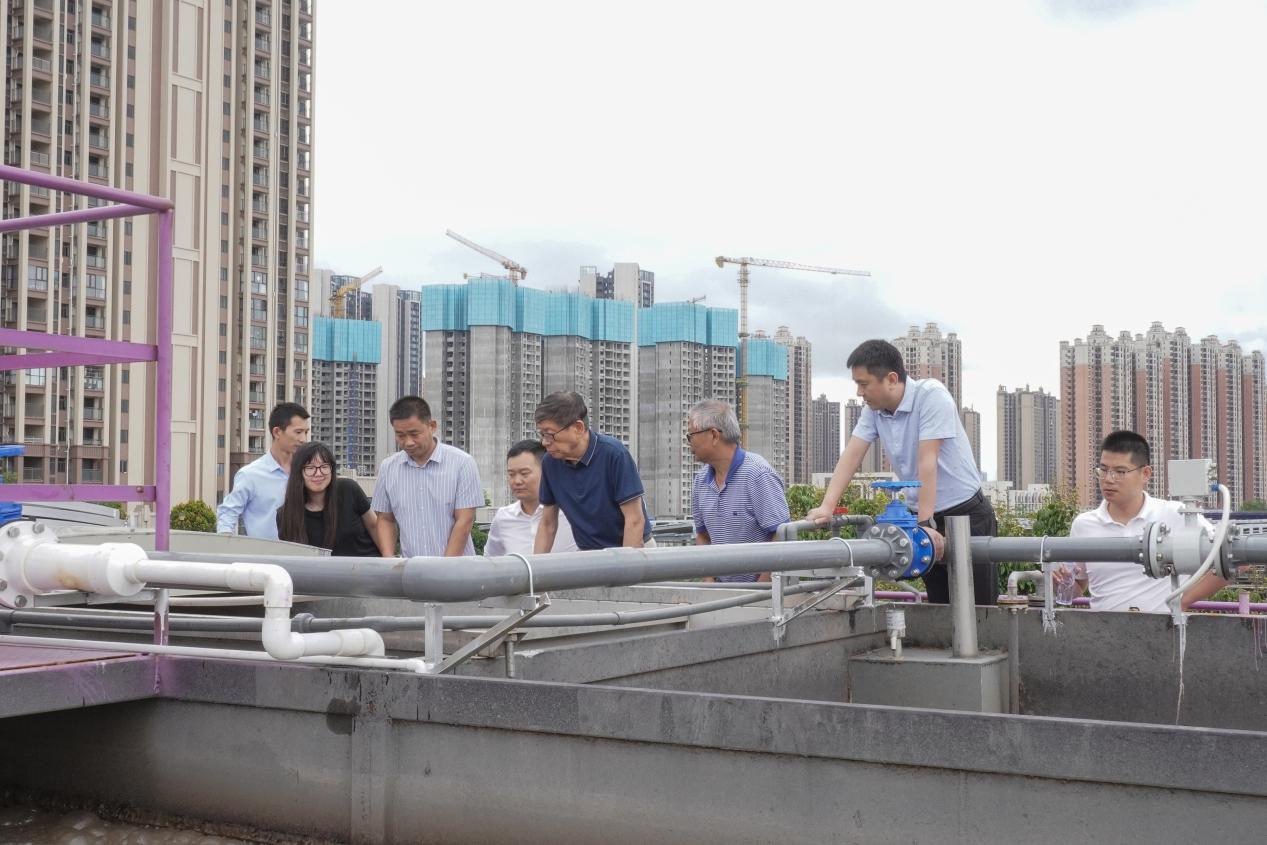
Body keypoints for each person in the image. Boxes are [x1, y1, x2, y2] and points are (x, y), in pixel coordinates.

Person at [807, 339, 998, 605]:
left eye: (864, 384)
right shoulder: (874, 411)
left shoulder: (931, 395)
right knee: (940, 607)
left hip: (965, 514)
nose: (860, 392)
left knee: (981, 610)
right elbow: (852, 455)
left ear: (892, 379)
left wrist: (925, 525)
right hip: (921, 515)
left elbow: (927, 460)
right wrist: (827, 507)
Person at [1059, 430, 1227, 612]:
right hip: (1102, 627)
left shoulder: (1176, 514)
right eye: (1103, 470)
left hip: (1163, 627)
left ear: (1145, 473)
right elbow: (1078, 586)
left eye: (1120, 472)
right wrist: (1060, 583)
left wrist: (1183, 600)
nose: (1108, 479)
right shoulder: (1084, 524)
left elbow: (1235, 558)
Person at [533, 391, 652, 552]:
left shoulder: (614, 454)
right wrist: (536, 565)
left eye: (549, 434)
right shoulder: (550, 462)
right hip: (588, 553)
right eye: (541, 434)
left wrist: (625, 566)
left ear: (578, 428)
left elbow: (635, 520)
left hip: (633, 548)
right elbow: (547, 524)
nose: (544, 442)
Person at [688, 399, 791, 583]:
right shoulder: (700, 480)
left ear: (714, 435)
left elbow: (781, 535)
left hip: (761, 592)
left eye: (691, 436)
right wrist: (710, 584)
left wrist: (760, 589)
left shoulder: (758, 474)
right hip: (722, 592)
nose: (689, 443)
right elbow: (702, 535)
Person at [371, 396, 483, 557]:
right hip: (410, 568)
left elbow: (464, 521)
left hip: (457, 568)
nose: (408, 442)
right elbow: (385, 519)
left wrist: (444, 567)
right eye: (400, 435)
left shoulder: (462, 463)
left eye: (414, 434)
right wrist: (389, 558)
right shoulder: (388, 468)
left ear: (432, 426)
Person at [216, 402, 310, 539]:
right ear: (277, 432)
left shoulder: (308, 471)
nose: (303, 439)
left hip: (304, 551)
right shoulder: (250, 475)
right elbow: (228, 513)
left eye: (306, 432)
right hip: (265, 551)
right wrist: (225, 545)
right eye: (298, 432)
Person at [276, 442, 379, 557]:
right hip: (323, 569)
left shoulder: (348, 489)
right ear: (298, 472)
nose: (318, 473)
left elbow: (374, 526)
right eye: (310, 468)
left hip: (367, 565)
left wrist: (388, 560)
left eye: (324, 467)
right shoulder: (286, 515)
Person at [485, 440, 580, 556]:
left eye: (524, 473)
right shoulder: (503, 517)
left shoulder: (571, 512)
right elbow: (492, 561)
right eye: (511, 474)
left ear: (547, 471)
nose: (517, 481)